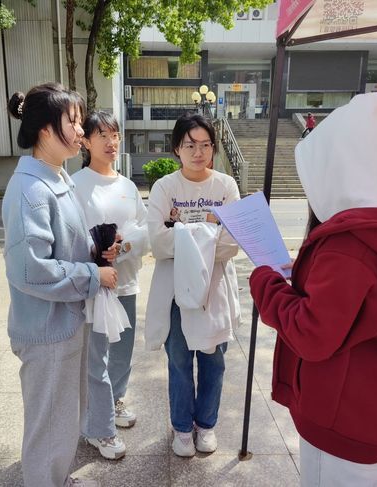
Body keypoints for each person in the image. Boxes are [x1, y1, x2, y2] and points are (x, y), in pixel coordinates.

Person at [249, 93, 377, 486]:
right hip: (375, 408)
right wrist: (312, 276)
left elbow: (312, 333)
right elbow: (375, 305)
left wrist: (265, 282)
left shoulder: (350, 244)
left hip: (339, 418)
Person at [3, 83, 119, 487]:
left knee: (63, 416)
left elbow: (66, 243)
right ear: (44, 130)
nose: (80, 129)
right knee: (49, 423)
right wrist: (93, 275)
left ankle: (57, 478)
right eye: (72, 121)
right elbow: (31, 270)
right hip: (46, 329)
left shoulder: (56, 178)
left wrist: (97, 250)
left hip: (64, 322)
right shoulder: (30, 190)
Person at [145, 112, 241, 458]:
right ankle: (183, 428)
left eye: (206, 145)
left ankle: (207, 424)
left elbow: (234, 243)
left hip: (215, 291)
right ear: (176, 148)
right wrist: (210, 229)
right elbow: (158, 243)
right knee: (179, 361)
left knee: (214, 362)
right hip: (175, 291)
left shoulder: (226, 187)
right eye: (190, 145)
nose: (198, 152)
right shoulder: (165, 187)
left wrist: (183, 231)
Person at [71, 111, 148, 460]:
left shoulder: (128, 186)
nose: (110, 142)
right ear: (86, 142)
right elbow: (71, 236)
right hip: (95, 286)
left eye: (114, 135)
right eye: (102, 135)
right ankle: (97, 427)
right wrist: (97, 251)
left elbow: (144, 229)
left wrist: (124, 246)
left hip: (125, 282)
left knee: (122, 353)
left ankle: (113, 402)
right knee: (96, 357)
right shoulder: (76, 184)